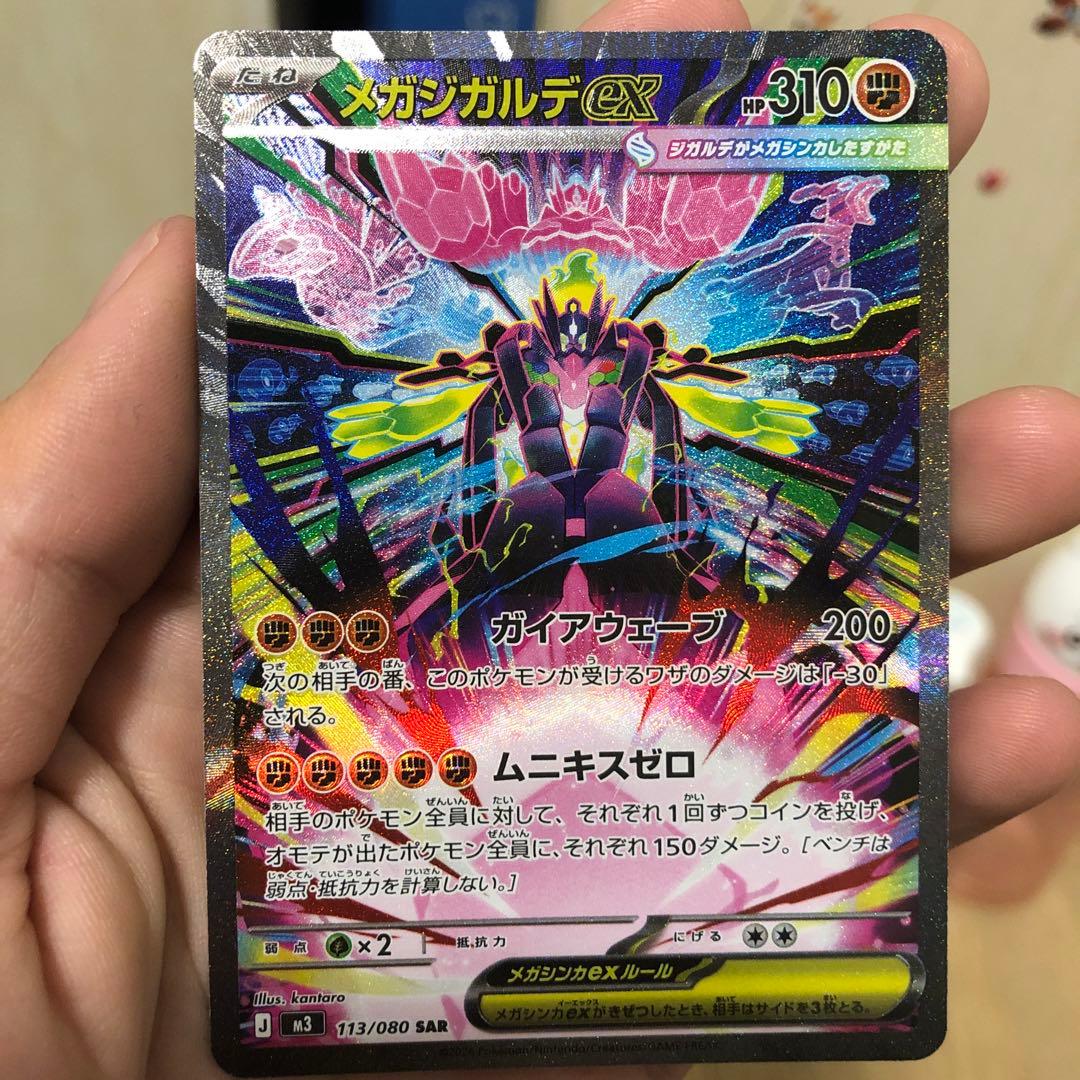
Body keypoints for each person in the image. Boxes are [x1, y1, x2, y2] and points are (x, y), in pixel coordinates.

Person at [2, 1, 1078, 1076]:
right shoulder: (526, 421)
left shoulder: (625, 412)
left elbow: (649, 468)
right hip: (517, 622)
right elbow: (510, 472)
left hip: (602, 594)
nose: (571, 347)